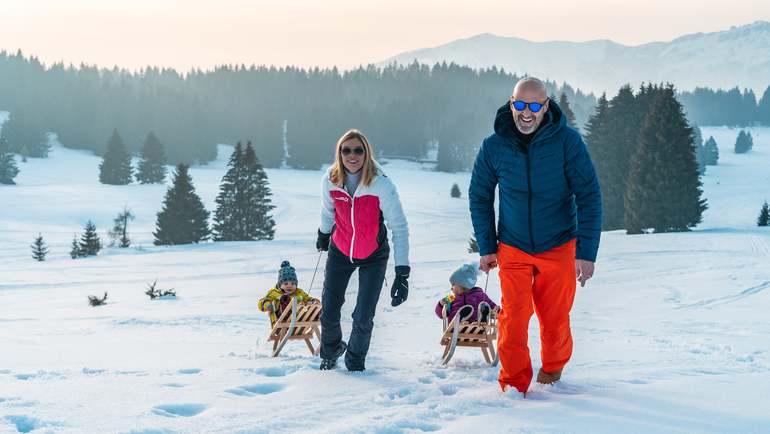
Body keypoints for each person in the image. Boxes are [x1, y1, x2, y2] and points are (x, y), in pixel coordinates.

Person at [469, 77, 602, 395]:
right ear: (511, 104)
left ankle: (553, 370)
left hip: (559, 244)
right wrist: (487, 246)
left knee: (554, 318)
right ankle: (514, 384)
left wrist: (586, 252)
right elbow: (480, 195)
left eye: (533, 106)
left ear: (545, 107)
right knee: (513, 318)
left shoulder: (567, 142)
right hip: (513, 245)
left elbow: (589, 195)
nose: (526, 113)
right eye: (520, 104)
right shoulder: (494, 145)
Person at [316, 129, 410, 371]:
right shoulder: (331, 179)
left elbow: (399, 227)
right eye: (346, 150)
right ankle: (330, 351)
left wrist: (402, 273)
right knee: (329, 311)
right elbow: (328, 211)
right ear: (339, 153)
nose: (352, 155)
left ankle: (355, 363)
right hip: (340, 250)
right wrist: (324, 233)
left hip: (373, 255)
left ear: (366, 153)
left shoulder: (381, 184)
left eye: (358, 150)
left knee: (363, 316)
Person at [258, 261, 319, 327]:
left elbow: (308, 298)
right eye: (286, 284)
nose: (289, 286)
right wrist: (267, 305)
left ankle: (317, 314)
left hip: (299, 321)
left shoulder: (299, 292)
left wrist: (313, 301)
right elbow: (262, 302)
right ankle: (286, 308)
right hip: (281, 322)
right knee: (284, 299)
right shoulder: (274, 293)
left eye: (292, 284)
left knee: (308, 305)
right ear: (280, 285)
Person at [434, 263, 499, 323]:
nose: (451, 288)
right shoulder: (451, 297)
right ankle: (460, 318)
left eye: (453, 285)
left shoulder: (480, 295)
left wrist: (497, 310)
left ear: (462, 285)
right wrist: (441, 305)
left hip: (476, 326)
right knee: (458, 316)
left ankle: (482, 318)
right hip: (455, 328)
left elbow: (492, 306)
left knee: (484, 306)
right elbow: (441, 315)